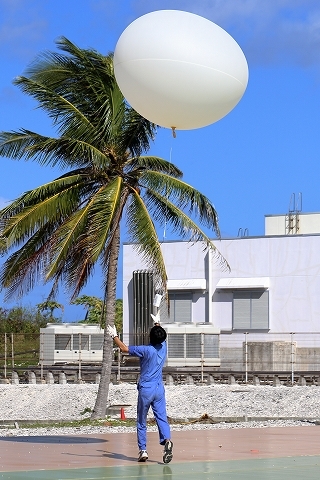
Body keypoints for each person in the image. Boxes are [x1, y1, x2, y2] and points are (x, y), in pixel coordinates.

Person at [107, 319, 173, 464]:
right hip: (159, 389)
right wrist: (158, 324)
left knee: (141, 420)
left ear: (150, 337)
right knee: (162, 418)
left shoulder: (145, 350)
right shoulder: (163, 347)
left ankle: (143, 450)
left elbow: (124, 349)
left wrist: (114, 336)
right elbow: (160, 335)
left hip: (146, 389)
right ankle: (167, 440)